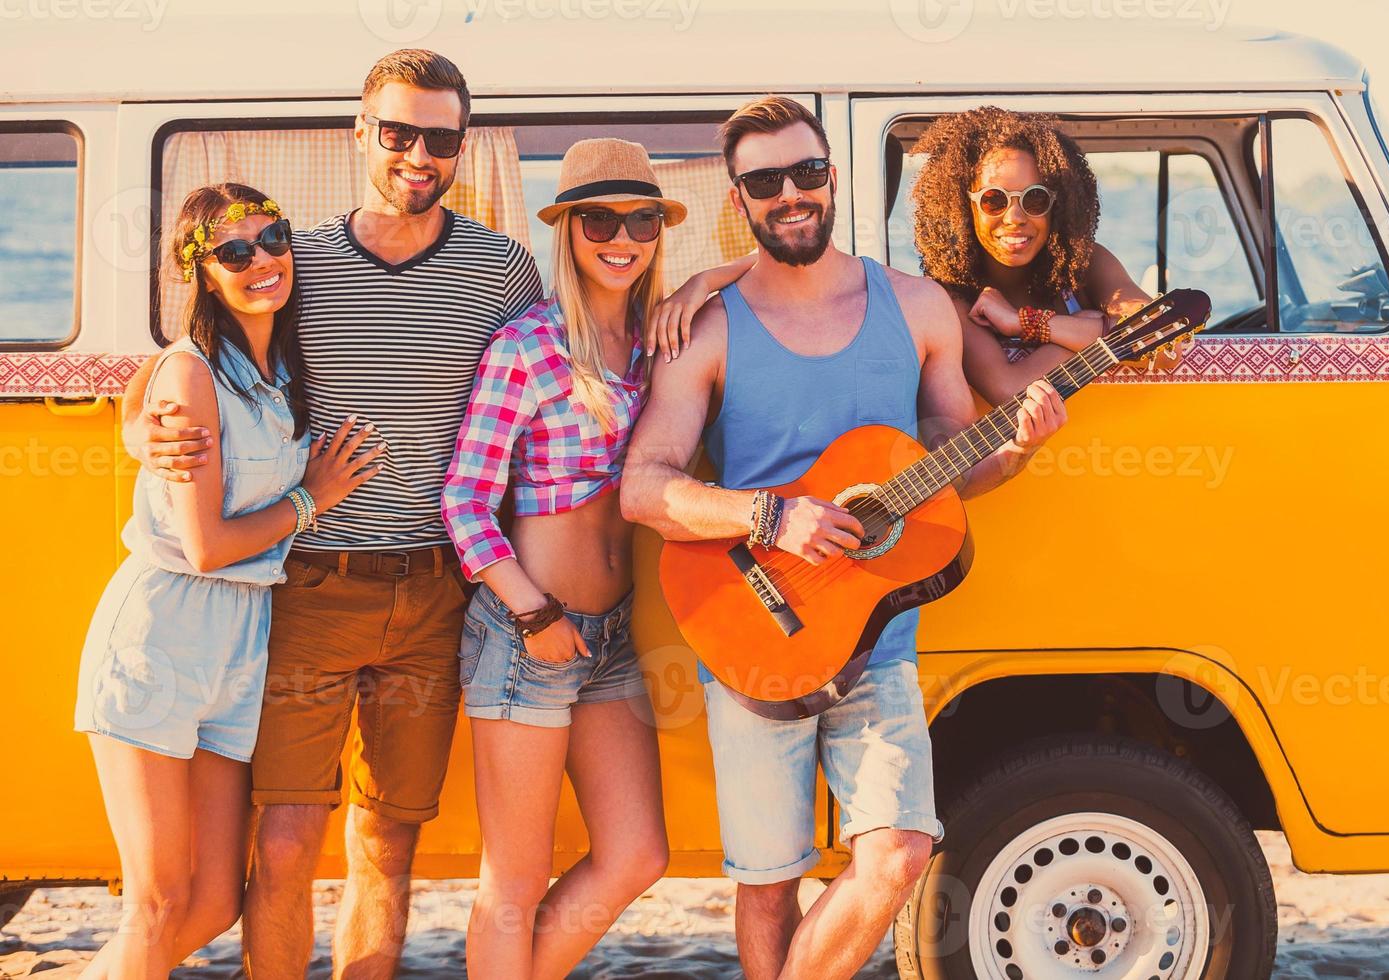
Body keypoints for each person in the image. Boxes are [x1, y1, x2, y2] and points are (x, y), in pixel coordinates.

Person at [620, 96, 1067, 980]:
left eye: (807, 172)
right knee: (766, 880)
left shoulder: (915, 308)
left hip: (879, 642)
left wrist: (1012, 452)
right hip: (751, 626)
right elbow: (643, 487)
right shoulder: (705, 325)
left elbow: (950, 466)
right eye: (765, 180)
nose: (791, 193)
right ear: (739, 196)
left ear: (832, 177)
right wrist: (769, 515)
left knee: (896, 854)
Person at [118, 50, 542, 979]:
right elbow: (189, 349)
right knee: (285, 842)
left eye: (440, 136)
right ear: (362, 132)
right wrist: (134, 431)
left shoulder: (500, 268)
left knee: (388, 844)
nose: (417, 154)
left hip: (435, 591)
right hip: (305, 584)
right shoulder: (293, 256)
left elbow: (553, 376)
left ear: (461, 145)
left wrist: (709, 288)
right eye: (397, 132)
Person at [76, 184, 377, 979]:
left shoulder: (279, 366)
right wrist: (313, 498)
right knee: (156, 900)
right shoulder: (193, 372)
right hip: (164, 635)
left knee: (213, 902)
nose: (261, 260)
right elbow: (206, 547)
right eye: (233, 252)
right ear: (202, 273)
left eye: (271, 239)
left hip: (240, 643)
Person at [442, 137, 678, 980]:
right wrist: (532, 612)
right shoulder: (526, 346)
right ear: (568, 231)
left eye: (641, 219)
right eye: (600, 220)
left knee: (638, 854)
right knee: (511, 879)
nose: (622, 238)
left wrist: (710, 282)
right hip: (527, 633)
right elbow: (464, 502)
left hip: (608, 637)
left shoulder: (661, 342)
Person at [910, 106, 1156, 405]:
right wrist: (1090, 329)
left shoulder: (1086, 264)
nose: (1015, 217)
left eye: (1035, 198)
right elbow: (1008, 390)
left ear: (1058, 205)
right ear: (963, 206)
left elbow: (1161, 333)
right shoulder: (950, 298)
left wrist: (1025, 322)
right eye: (994, 200)